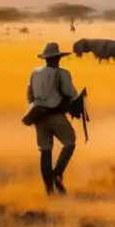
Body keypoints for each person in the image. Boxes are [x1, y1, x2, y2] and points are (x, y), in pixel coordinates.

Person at [27, 42, 80, 195]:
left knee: (45, 151)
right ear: (57, 58)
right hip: (55, 115)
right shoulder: (62, 73)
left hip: (38, 116)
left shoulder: (35, 73)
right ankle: (57, 174)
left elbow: (29, 96)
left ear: (45, 58)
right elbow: (71, 94)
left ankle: (49, 189)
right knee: (70, 142)